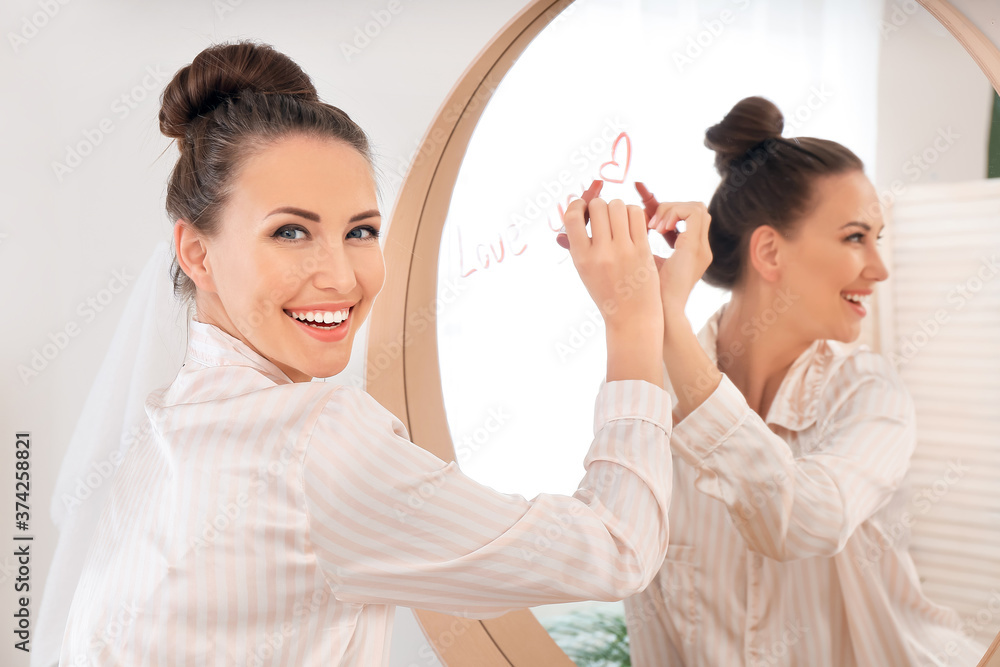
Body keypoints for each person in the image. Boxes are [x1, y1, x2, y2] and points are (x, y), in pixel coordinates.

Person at [55, 40, 714, 666]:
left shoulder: (166, 425)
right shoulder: (314, 438)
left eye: (360, 231)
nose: (341, 276)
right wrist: (634, 319)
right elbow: (617, 551)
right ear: (195, 251)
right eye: (290, 231)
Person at [624, 96, 988, 666]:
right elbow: (644, 602)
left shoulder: (869, 394)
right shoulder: (651, 400)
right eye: (854, 237)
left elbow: (798, 524)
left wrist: (666, 321)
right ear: (769, 251)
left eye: (877, 237)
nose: (880, 267)